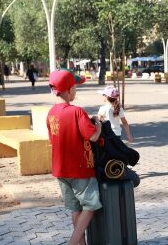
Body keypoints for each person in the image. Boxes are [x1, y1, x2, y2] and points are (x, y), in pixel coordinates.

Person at [46, 69, 102, 245]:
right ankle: (73, 242)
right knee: (91, 205)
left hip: (60, 169)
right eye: (75, 87)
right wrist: (98, 125)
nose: (76, 90)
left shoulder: (51, 113)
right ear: (69, 90)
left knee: (74, 207)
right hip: (80, 169)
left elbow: (52, 139)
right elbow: (92, 136)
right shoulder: (77, 112)